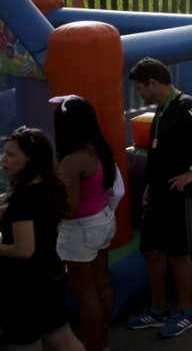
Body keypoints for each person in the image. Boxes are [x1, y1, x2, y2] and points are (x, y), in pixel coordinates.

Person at [126, 58, 192, 338]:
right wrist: (152, 184)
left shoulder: (188, 105)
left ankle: (185, 312)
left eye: (140, 88)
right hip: (157, 191)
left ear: (153, 82)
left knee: (178, 252)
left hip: (179, 194)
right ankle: (158, 308)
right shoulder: (161, 107)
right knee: (151, 249)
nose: (139, 94)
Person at [0, 128, 86, 351]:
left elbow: (24, 249)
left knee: (25, 345)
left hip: (25, 286)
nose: (3, 159)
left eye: (10, 154)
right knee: (63, 338)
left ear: (31, 159)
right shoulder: (48, 188)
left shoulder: (24, 199)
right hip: (52, 275)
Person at [53, 96, 118, 351]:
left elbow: (68, 208)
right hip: (103, 221)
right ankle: (103, 342)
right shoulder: (98, 148)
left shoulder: (72, 160)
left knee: (84, 295)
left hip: (80, 230)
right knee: (102, 284)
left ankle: (93, 346)